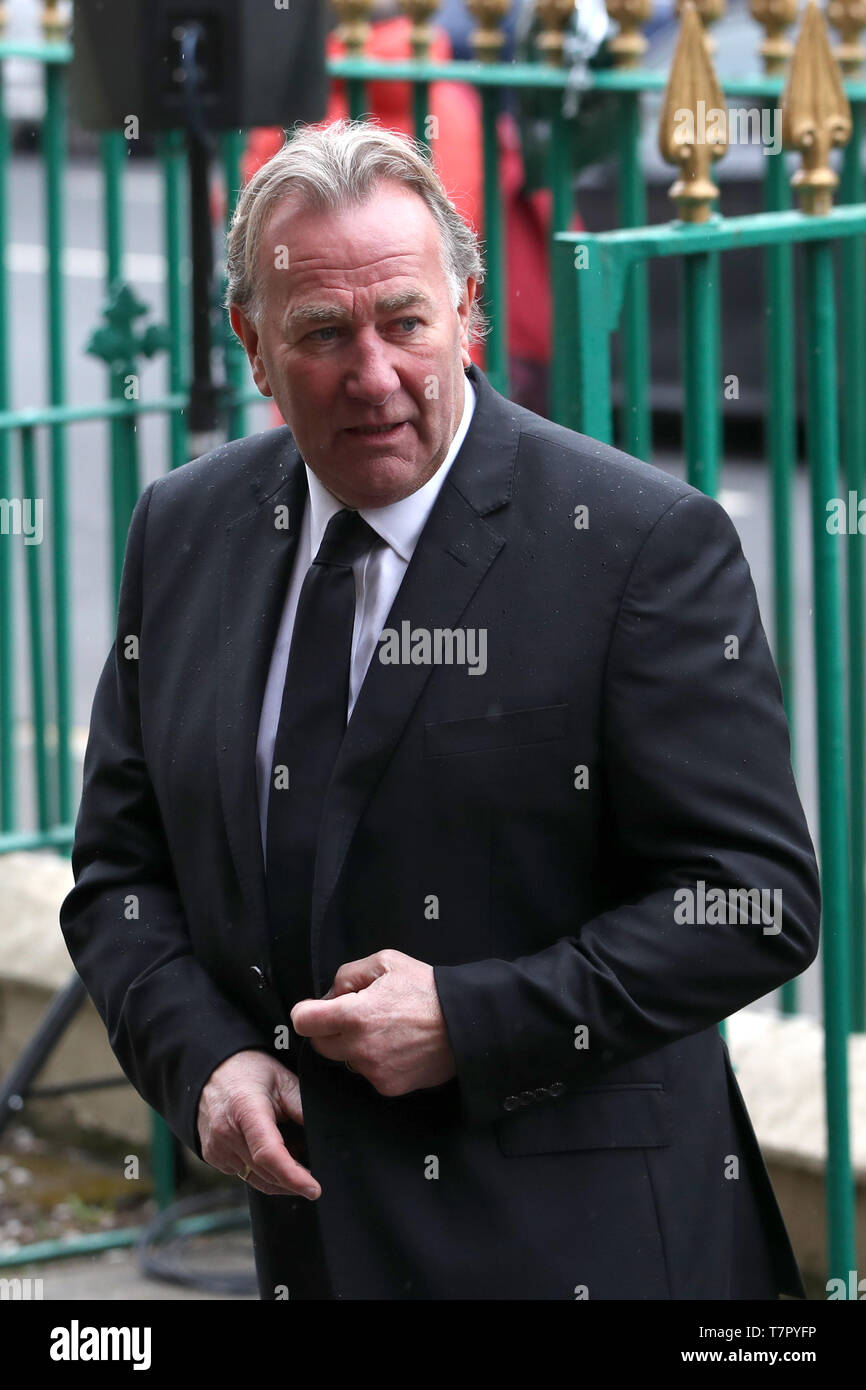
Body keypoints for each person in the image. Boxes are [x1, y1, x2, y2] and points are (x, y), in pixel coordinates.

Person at [60, 118, 820, 1301]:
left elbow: (753, 899)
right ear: (250, 346)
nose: (374, 375)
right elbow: (118, 870)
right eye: (321, 333)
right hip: (312, 1250)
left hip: (585, 1249)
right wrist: (202, 1061)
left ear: (465, 310)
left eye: (405, 322)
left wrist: (471, 1019)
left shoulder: (637, 544)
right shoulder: (184, 528)